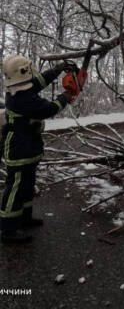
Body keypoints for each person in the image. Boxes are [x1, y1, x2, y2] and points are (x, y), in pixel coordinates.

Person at [0, 55, 73, 244]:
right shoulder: (22, 99)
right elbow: (48, 109)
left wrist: (56, 70)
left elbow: (37, 82)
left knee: (27, 183)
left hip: (28, 145)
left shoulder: (18, 88)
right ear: (23, 72)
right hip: (19, 147)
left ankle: (24, 218)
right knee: (15, 187)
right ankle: (8, 228)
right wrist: (65, 97)